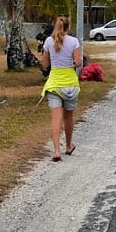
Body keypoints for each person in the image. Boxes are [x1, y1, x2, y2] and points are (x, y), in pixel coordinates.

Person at [40, 15, 83, 162]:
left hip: (54, 84)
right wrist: (69, 62)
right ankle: (69, 145)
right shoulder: (74, 41)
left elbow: (45, 64)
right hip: (70, 84)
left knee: (56, 118)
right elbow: (78, 62)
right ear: (68, 27)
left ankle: (56, 150)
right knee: (68, 116)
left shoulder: (48, 41)